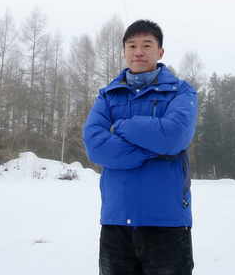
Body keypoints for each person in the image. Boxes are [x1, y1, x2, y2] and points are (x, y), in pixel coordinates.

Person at [83, 19, 198, 274]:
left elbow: (173, 137)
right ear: (124, 52)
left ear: (160, 52)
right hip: (116, 226)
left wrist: (120, 126)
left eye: (147, 45)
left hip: (167, 225)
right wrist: (155, 149)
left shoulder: (181, 92)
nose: (139, 51)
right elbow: (95, 146)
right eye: (132, 45)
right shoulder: (108, 95)